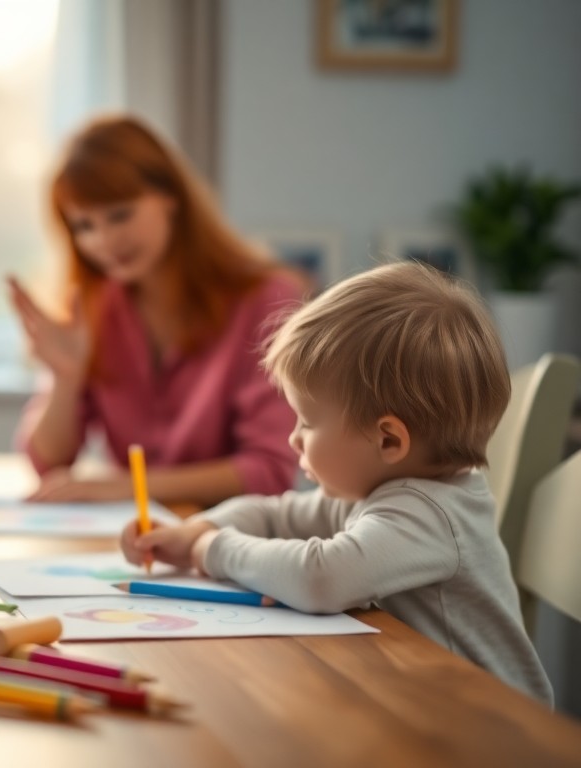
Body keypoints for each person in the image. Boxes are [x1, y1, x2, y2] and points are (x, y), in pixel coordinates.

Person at [122, 262, 552, 704]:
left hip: (495, 728)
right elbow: (275, 514)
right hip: (427, 703)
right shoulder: (381, 490)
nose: (293, 438)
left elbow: (321, 578)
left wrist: (209, 550)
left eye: (307, 422)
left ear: (388, 439)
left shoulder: (430, 513)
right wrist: (199, 529)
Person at [10, 115, 302, 508]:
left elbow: (269, 471)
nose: (104, 241)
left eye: (119, 214)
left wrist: (130, 486)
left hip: (232, 543)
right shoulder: (93, 308)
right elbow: (48, 462)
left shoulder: (268, 299)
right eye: (84, 225)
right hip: (138, 540)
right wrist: (66, 379)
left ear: (170, 197)